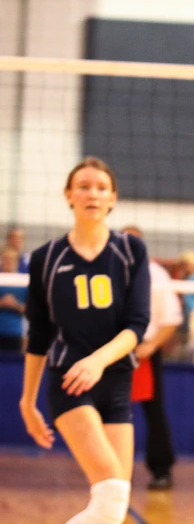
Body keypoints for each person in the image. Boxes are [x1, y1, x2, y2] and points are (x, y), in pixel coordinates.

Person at [19, 157, 150, 524]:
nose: (92, 193)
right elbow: (39, 335)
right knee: (111, 492)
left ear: (112, 199)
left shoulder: (130, 251)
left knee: (114, 508)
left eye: (101, 188)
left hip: (117, 380)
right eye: (83, 186)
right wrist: (28, 402)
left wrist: (98, 361)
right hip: (70, 380)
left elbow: (137, 326)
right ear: (68, 196)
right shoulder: (46, 258)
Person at [121, 225, 182, 491]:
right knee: (110, 411)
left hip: (144, 350)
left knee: (153, 412)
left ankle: (161, 470)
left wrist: (150, 346)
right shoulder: (107, 269)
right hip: (112, 350)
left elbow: (171, 320)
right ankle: (113, 473)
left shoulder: (156, 275)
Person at [0, 245, 28, 352]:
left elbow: (30, 311)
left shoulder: (24, 281)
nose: (8, 262)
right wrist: (2, 303)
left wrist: (15, 304)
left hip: (14, 332)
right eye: (5, 259)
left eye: (11, 259)